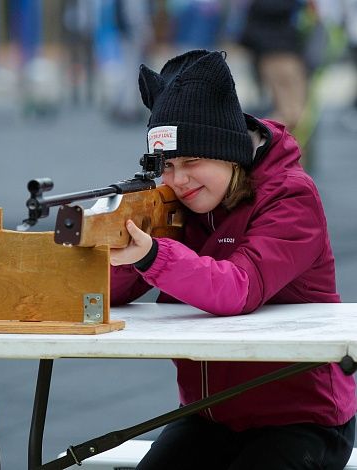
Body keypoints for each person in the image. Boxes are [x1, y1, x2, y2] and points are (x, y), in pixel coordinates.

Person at [110, 49, 356, 470]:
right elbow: (114, 295)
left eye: (193, 162)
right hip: (212, 415)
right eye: (166, 166)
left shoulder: (292, 196)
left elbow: (239, 287)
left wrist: (152, 254)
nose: (178, 180)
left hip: (303, 418)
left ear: (231, 152)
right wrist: (111, 242)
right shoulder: (180, 203)